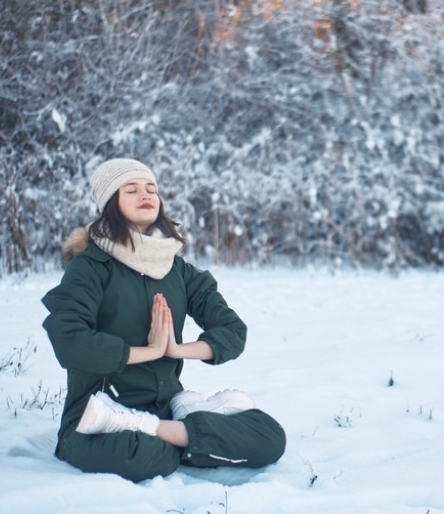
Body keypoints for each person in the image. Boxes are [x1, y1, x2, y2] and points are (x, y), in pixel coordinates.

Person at [41, 158, 286, 482]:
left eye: (151, 189)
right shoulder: (90, 267)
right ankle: (180, 436)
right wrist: (147, 351)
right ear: (110, 202)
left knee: (269, 436)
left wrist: (174, 350)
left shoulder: (178, 270)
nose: (145, 194)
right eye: (131, 189)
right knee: (149, 455)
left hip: (166, 409)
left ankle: (164, 430)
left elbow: (233, 331)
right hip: (96, 417)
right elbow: (69, 340)